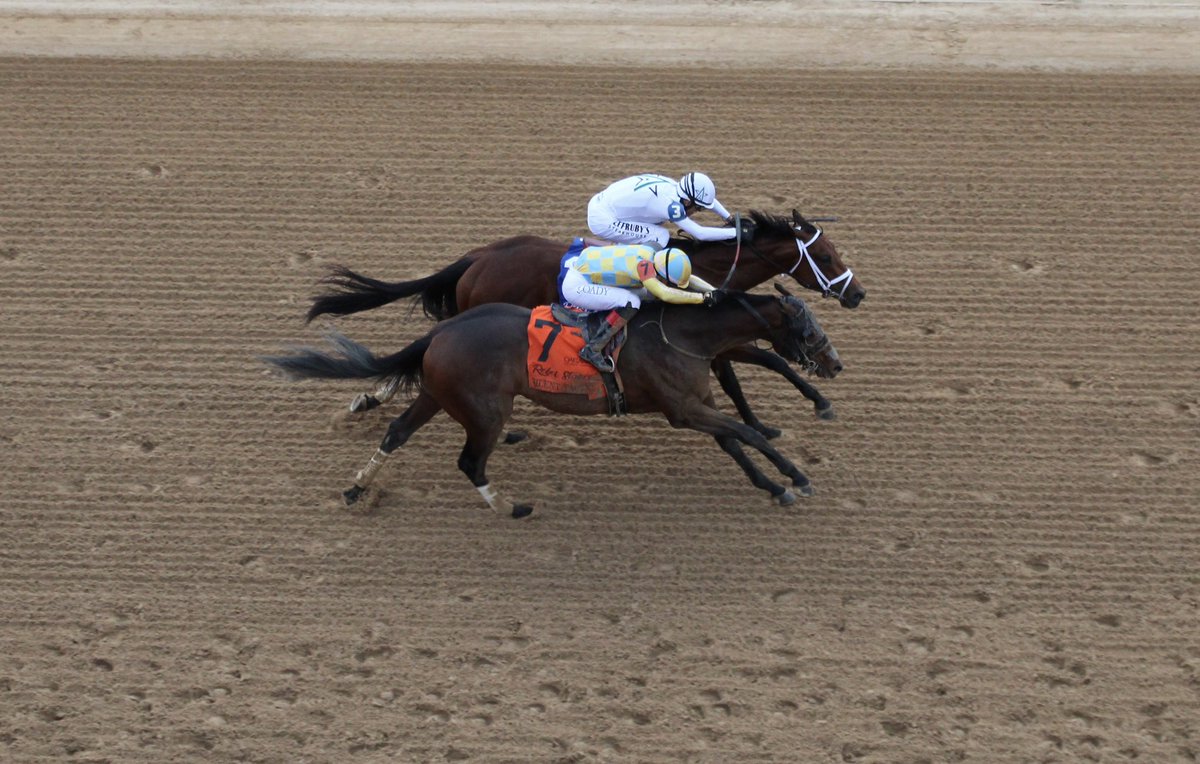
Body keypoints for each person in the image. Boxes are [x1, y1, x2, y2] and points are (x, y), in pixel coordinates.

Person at [556, 238, 720, 372]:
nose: (667, 283)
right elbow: (664, 293)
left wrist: (714, 291)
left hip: (587, 269)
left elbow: (686, 278)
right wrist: (702, 298)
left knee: (644, 294)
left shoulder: (654, 253)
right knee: (632, 301)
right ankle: (593, 349)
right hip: (577, 285)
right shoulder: (643, 267)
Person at [587, 172, 751, 248]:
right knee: (660, 235)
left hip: (605, 205)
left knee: (654, 229)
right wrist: (736, 233)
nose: (697, 211)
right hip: (604, 220)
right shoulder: (669, 206)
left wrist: (729, 218)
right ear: (687, 201)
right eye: (698, 208)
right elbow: (699, 233)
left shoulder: (676, 187)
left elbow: (709, 201)